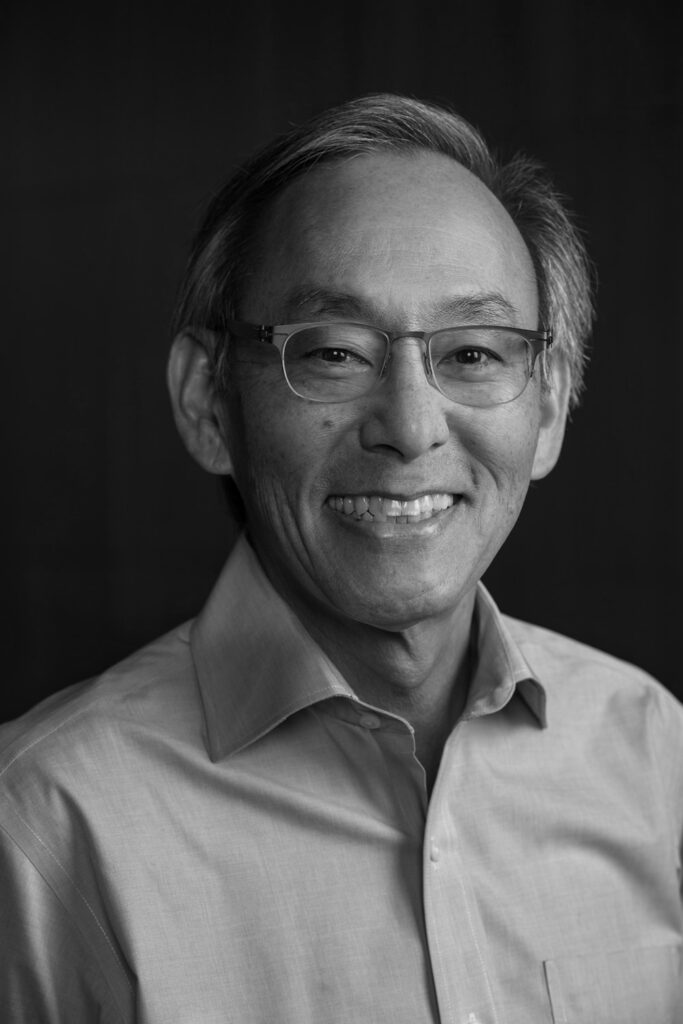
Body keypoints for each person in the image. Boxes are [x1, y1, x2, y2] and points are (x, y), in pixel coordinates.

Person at [1, 94, 681, 1023]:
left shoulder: (654, 756)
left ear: (551, 406)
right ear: (208, 401)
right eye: (332, 353)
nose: (407, 427)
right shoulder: (43, 826)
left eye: (474, 352)